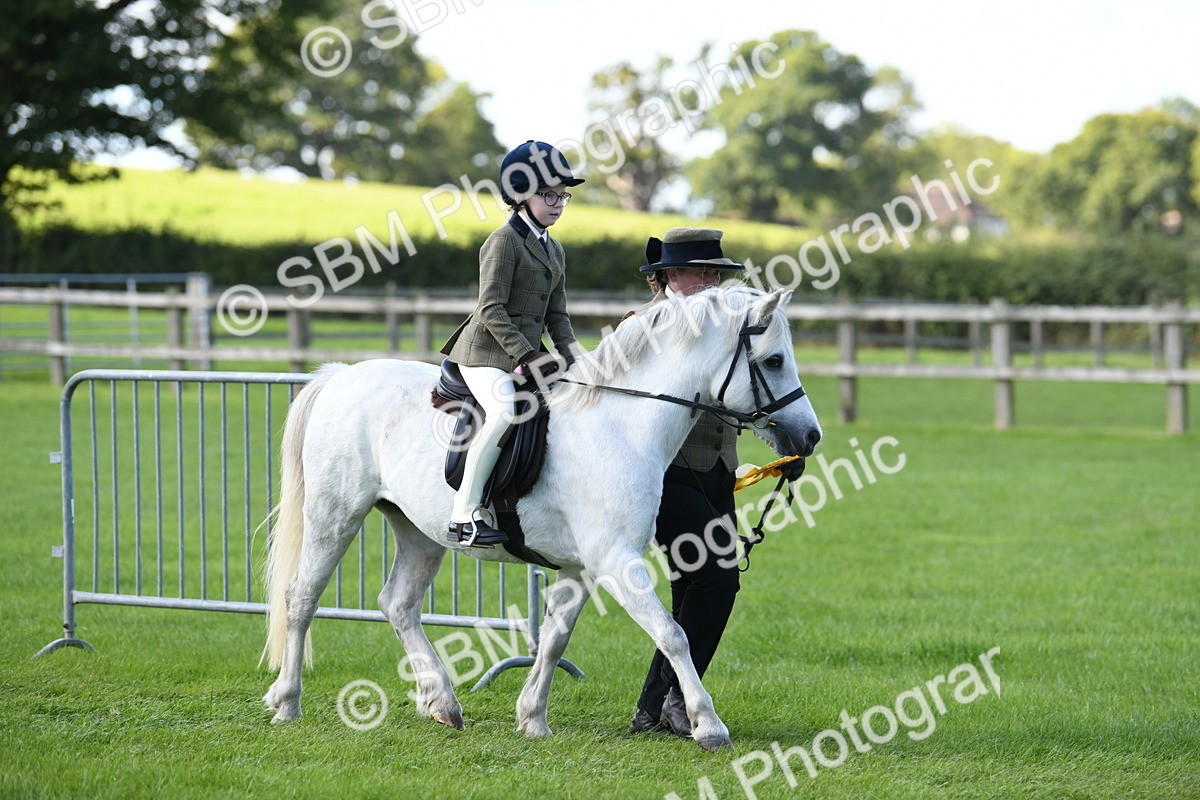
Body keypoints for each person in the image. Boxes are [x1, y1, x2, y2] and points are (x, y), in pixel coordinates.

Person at [627, 227, 802, 737]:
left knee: (697, 589)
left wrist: (781, 446)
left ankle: (654, 708)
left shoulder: (725, 327)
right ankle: (680, 702)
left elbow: (753, 393)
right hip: (662, 474)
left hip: (717, 472)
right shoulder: (641, 327)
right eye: (696, 271)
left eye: (713, 273)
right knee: (716, 579)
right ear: (664, 277)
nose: (707, 281)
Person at [440, 140, 583, 547]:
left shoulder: (554, 249)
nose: (558, 203)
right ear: (521, 195)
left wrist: (578, 358)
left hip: (523, 354)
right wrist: (529, 354)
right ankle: (464, 514)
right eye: (549, 194)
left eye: (563, 196)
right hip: (483, 352)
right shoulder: (503, 241)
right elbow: (490, 309)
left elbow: (557, 315)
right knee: (505, 409)